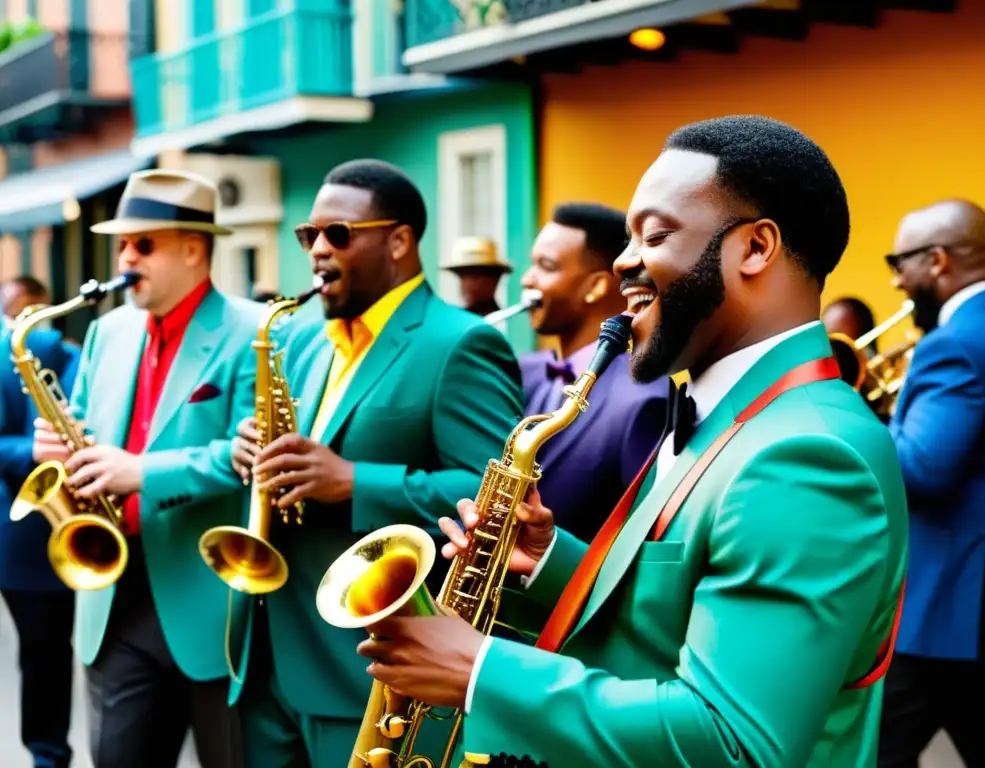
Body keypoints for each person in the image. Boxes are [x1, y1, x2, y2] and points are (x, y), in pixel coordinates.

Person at [356, 116, 909, 767]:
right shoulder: (737, 412)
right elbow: (675, 616)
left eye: (655, 234)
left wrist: (479, 671)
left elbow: (735, 745)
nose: (623, 262)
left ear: (756, 248)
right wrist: (551, 564)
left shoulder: (807, 458)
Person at [227, 159, 524, 768]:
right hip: (267, 660)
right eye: (308, 235)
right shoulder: (304, 341)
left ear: (399, 241)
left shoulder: (462, 342)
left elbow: (494, 498)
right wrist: (256, 454)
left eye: (338, 233)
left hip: (364, 674)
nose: (317, 250)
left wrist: (352, 482)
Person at [32, 169, 260, 768]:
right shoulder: (107, 330)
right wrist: (57, 448)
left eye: (144, 244)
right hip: (114, 599)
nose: (127, 257)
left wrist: (144, 472)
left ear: (194, 247)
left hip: (211, 599)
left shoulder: (253, 331)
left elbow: (248, 457)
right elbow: (80, 420)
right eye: (123, 245)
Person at [879, 199, 985, 766]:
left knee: (870, 753)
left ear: (936, 261)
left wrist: (856, 414)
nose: (896, 279)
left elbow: (924, 470)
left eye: (900, 262)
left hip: (951, 601)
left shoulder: (951, 343)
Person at [517, 202, 667, 541]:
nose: (527, 279)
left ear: (596, 287)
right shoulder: (521, 371)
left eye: (546, 266)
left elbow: (640, 542)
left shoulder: (644, 398)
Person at [0, 324, 80, 768]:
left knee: (51, 654)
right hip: (24, 535)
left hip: (66, 525)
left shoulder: (49, 346)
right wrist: (32, 450)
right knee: (44, 653)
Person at [441, 236, 511, 316]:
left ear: (495, 280)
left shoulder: (504, 321)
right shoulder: (456, 320)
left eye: (475, 278)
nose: (468, 285)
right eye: (462, 277)